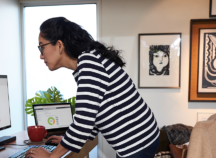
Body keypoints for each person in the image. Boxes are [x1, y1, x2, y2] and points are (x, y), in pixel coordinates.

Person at [26, 17, 160, 158]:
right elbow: (93, 113)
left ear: (59, 45)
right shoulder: (88, 61)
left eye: (42, 47)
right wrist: (66, 143)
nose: (41, 56)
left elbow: (83, 123)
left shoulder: (89, 64)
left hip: (137, 143)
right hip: (141, 139)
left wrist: (51, 156)